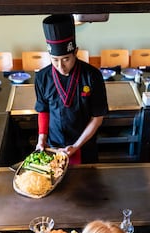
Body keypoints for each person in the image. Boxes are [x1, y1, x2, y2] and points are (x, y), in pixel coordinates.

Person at [34, 14, 108, 164]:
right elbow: (43, 110)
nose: (60, 66)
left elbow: (97, 118)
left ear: (76, 52)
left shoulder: (92, 76)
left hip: (84, 146)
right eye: (55, 60)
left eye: (66, 59)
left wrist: (76, 146)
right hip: (53, 146)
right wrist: (41, 139)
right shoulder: (42, 77)